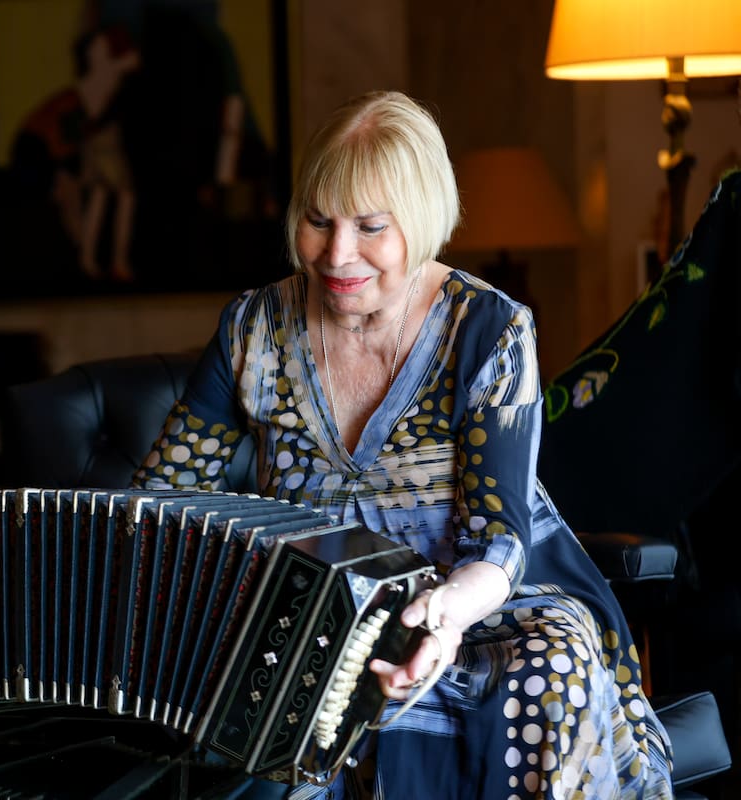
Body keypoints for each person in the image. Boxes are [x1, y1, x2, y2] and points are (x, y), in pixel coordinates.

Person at [131, 90, 674, 798]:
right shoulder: (253, 328)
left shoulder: (488, 330)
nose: (336, 253)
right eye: (317, 221)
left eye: (370, 226)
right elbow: (159, 498)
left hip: (481, 606)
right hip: (317, 617)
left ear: (419, 222)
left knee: (546, 672)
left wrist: (439, 619)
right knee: (277, 705)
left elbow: (497, 541)